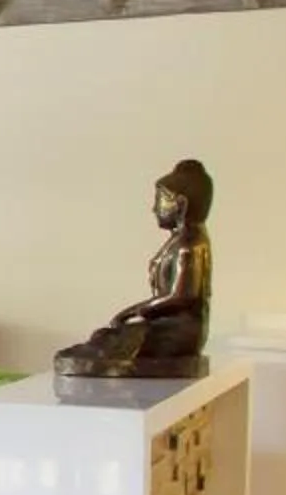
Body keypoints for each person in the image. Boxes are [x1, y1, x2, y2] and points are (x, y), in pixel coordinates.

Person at [55, 158, 214, 376]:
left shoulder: (189, 245)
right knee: (106, 336)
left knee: (114, 341)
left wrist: (135, 311)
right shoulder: (181, 242)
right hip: (166, 325)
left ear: (180, 204)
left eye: (159, 201)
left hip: (178, 332)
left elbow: (180, 296)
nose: (153, 209)